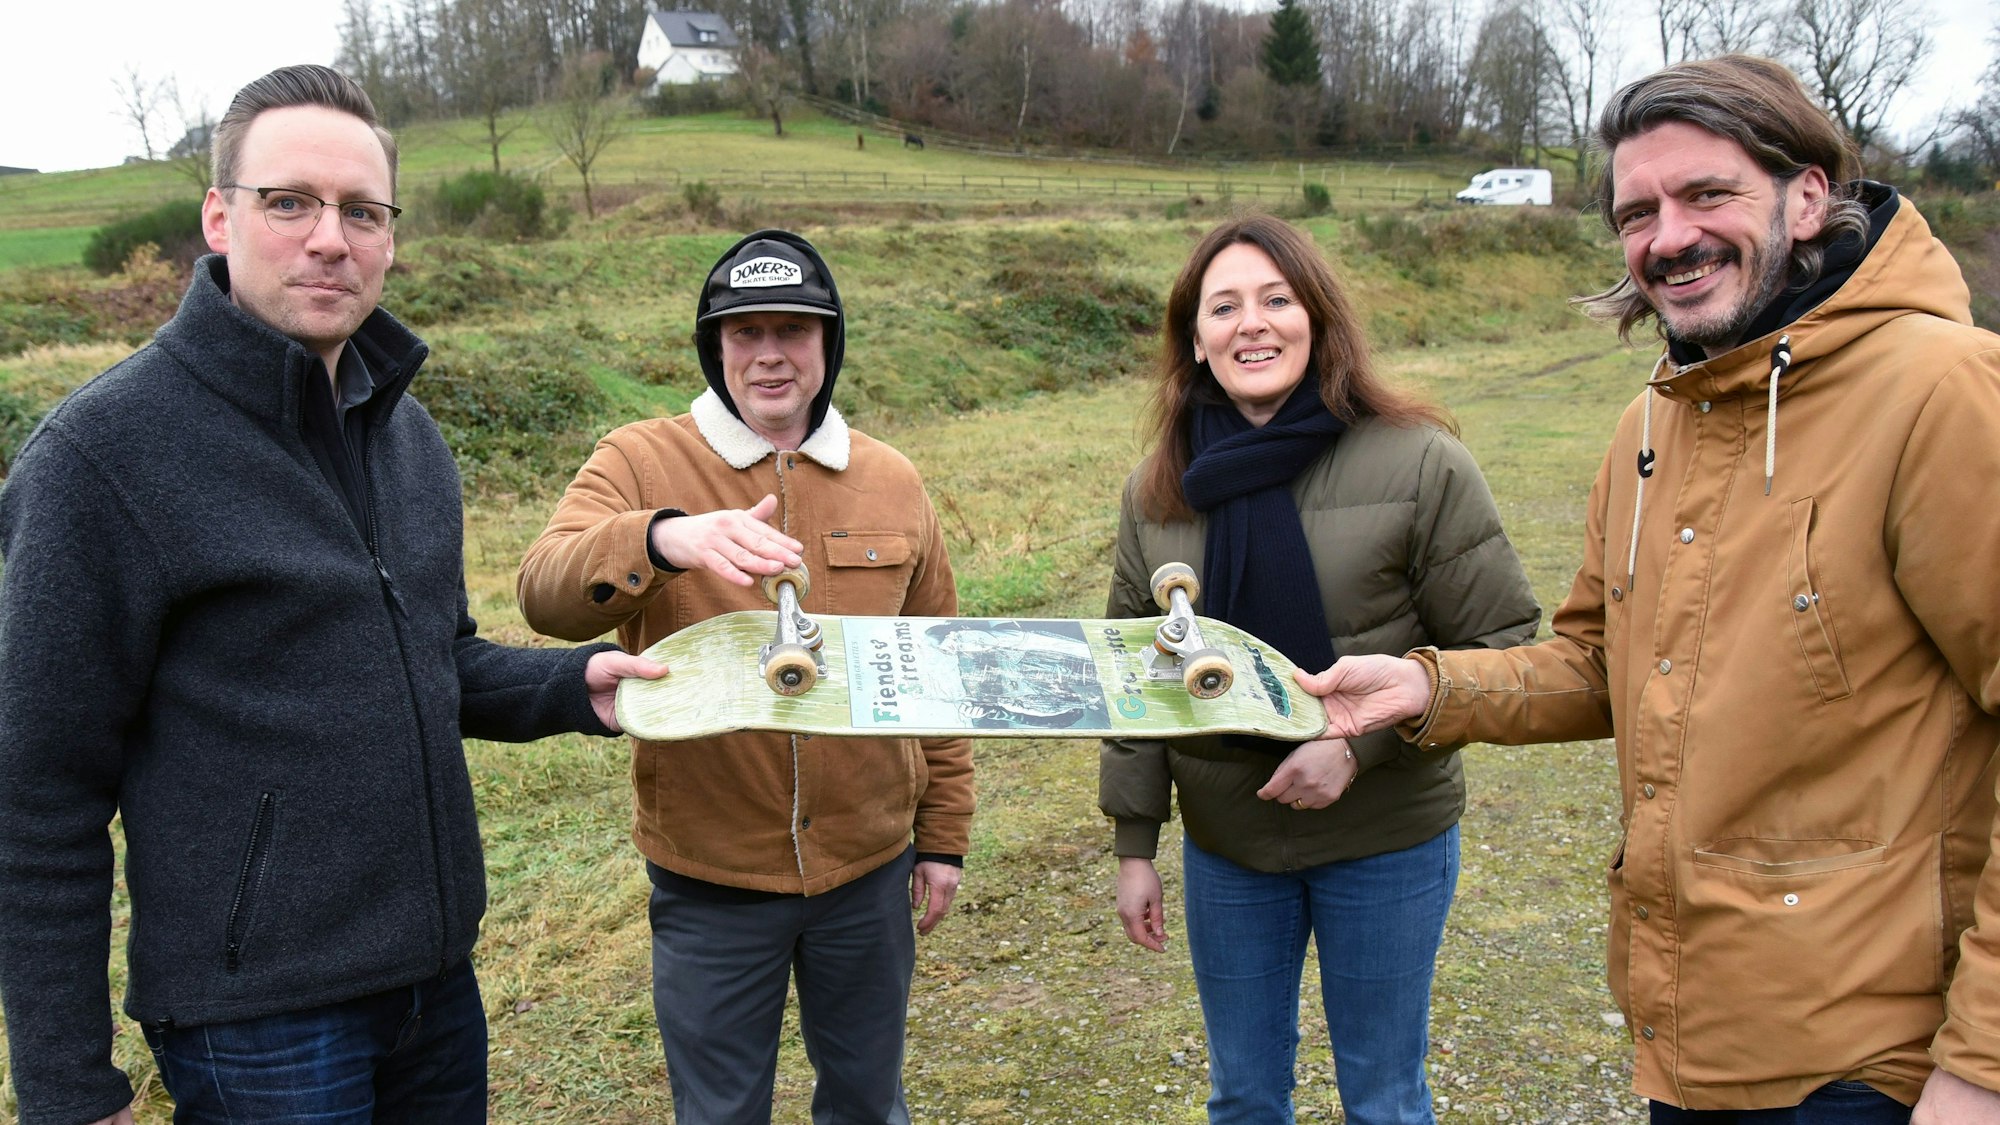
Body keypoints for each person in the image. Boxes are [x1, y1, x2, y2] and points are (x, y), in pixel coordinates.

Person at [1303, 55, 2000, 1123]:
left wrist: (1982, 1064)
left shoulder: (1942, 390)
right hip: (1691, 1035)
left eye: (1707, 193)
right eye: (1636, 212)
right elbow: (1598, 662)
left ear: (1807, 197)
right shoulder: (1657, 419)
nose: (1667, 237)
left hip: (1872, 1063)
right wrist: (1424, 687)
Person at [0, 65, 661, 1125]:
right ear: (220, 218)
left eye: (362, 211)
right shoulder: (103, 456)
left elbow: (429, 657)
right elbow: (36, 792)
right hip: (259, 1024)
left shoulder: (406, 436)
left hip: (434, 986)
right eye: (289, 202)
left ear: (391, 238)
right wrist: (67, 1085)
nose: (328, 239)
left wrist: (572, 686)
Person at [516, 229, 973, 1124]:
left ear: (829, 343)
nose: (769, 354)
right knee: (720, 1112)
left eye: (793, 330)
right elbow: (543, 591)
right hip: (710, 877)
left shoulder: (892, 478)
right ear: (713, 345)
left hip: (868, 868)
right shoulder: (639, 459)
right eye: (744, 332)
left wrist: (943, 836)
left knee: (869, 1103)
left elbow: (936, 667)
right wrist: (660, 537)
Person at [1099, 214, 1540, 1125]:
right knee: (1244, 1096)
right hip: (1228, 847)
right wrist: (1136, 845)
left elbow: (1499, 646)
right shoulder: (1157, 492)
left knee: (1383, 1097)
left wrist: (1357, 745)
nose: (1252, 324)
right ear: (1196, 338)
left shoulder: (1420, 461)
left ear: (1318, 317)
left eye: (1277, 299)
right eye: (1224, 306)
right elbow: (1132, 683)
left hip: (1385, 837)